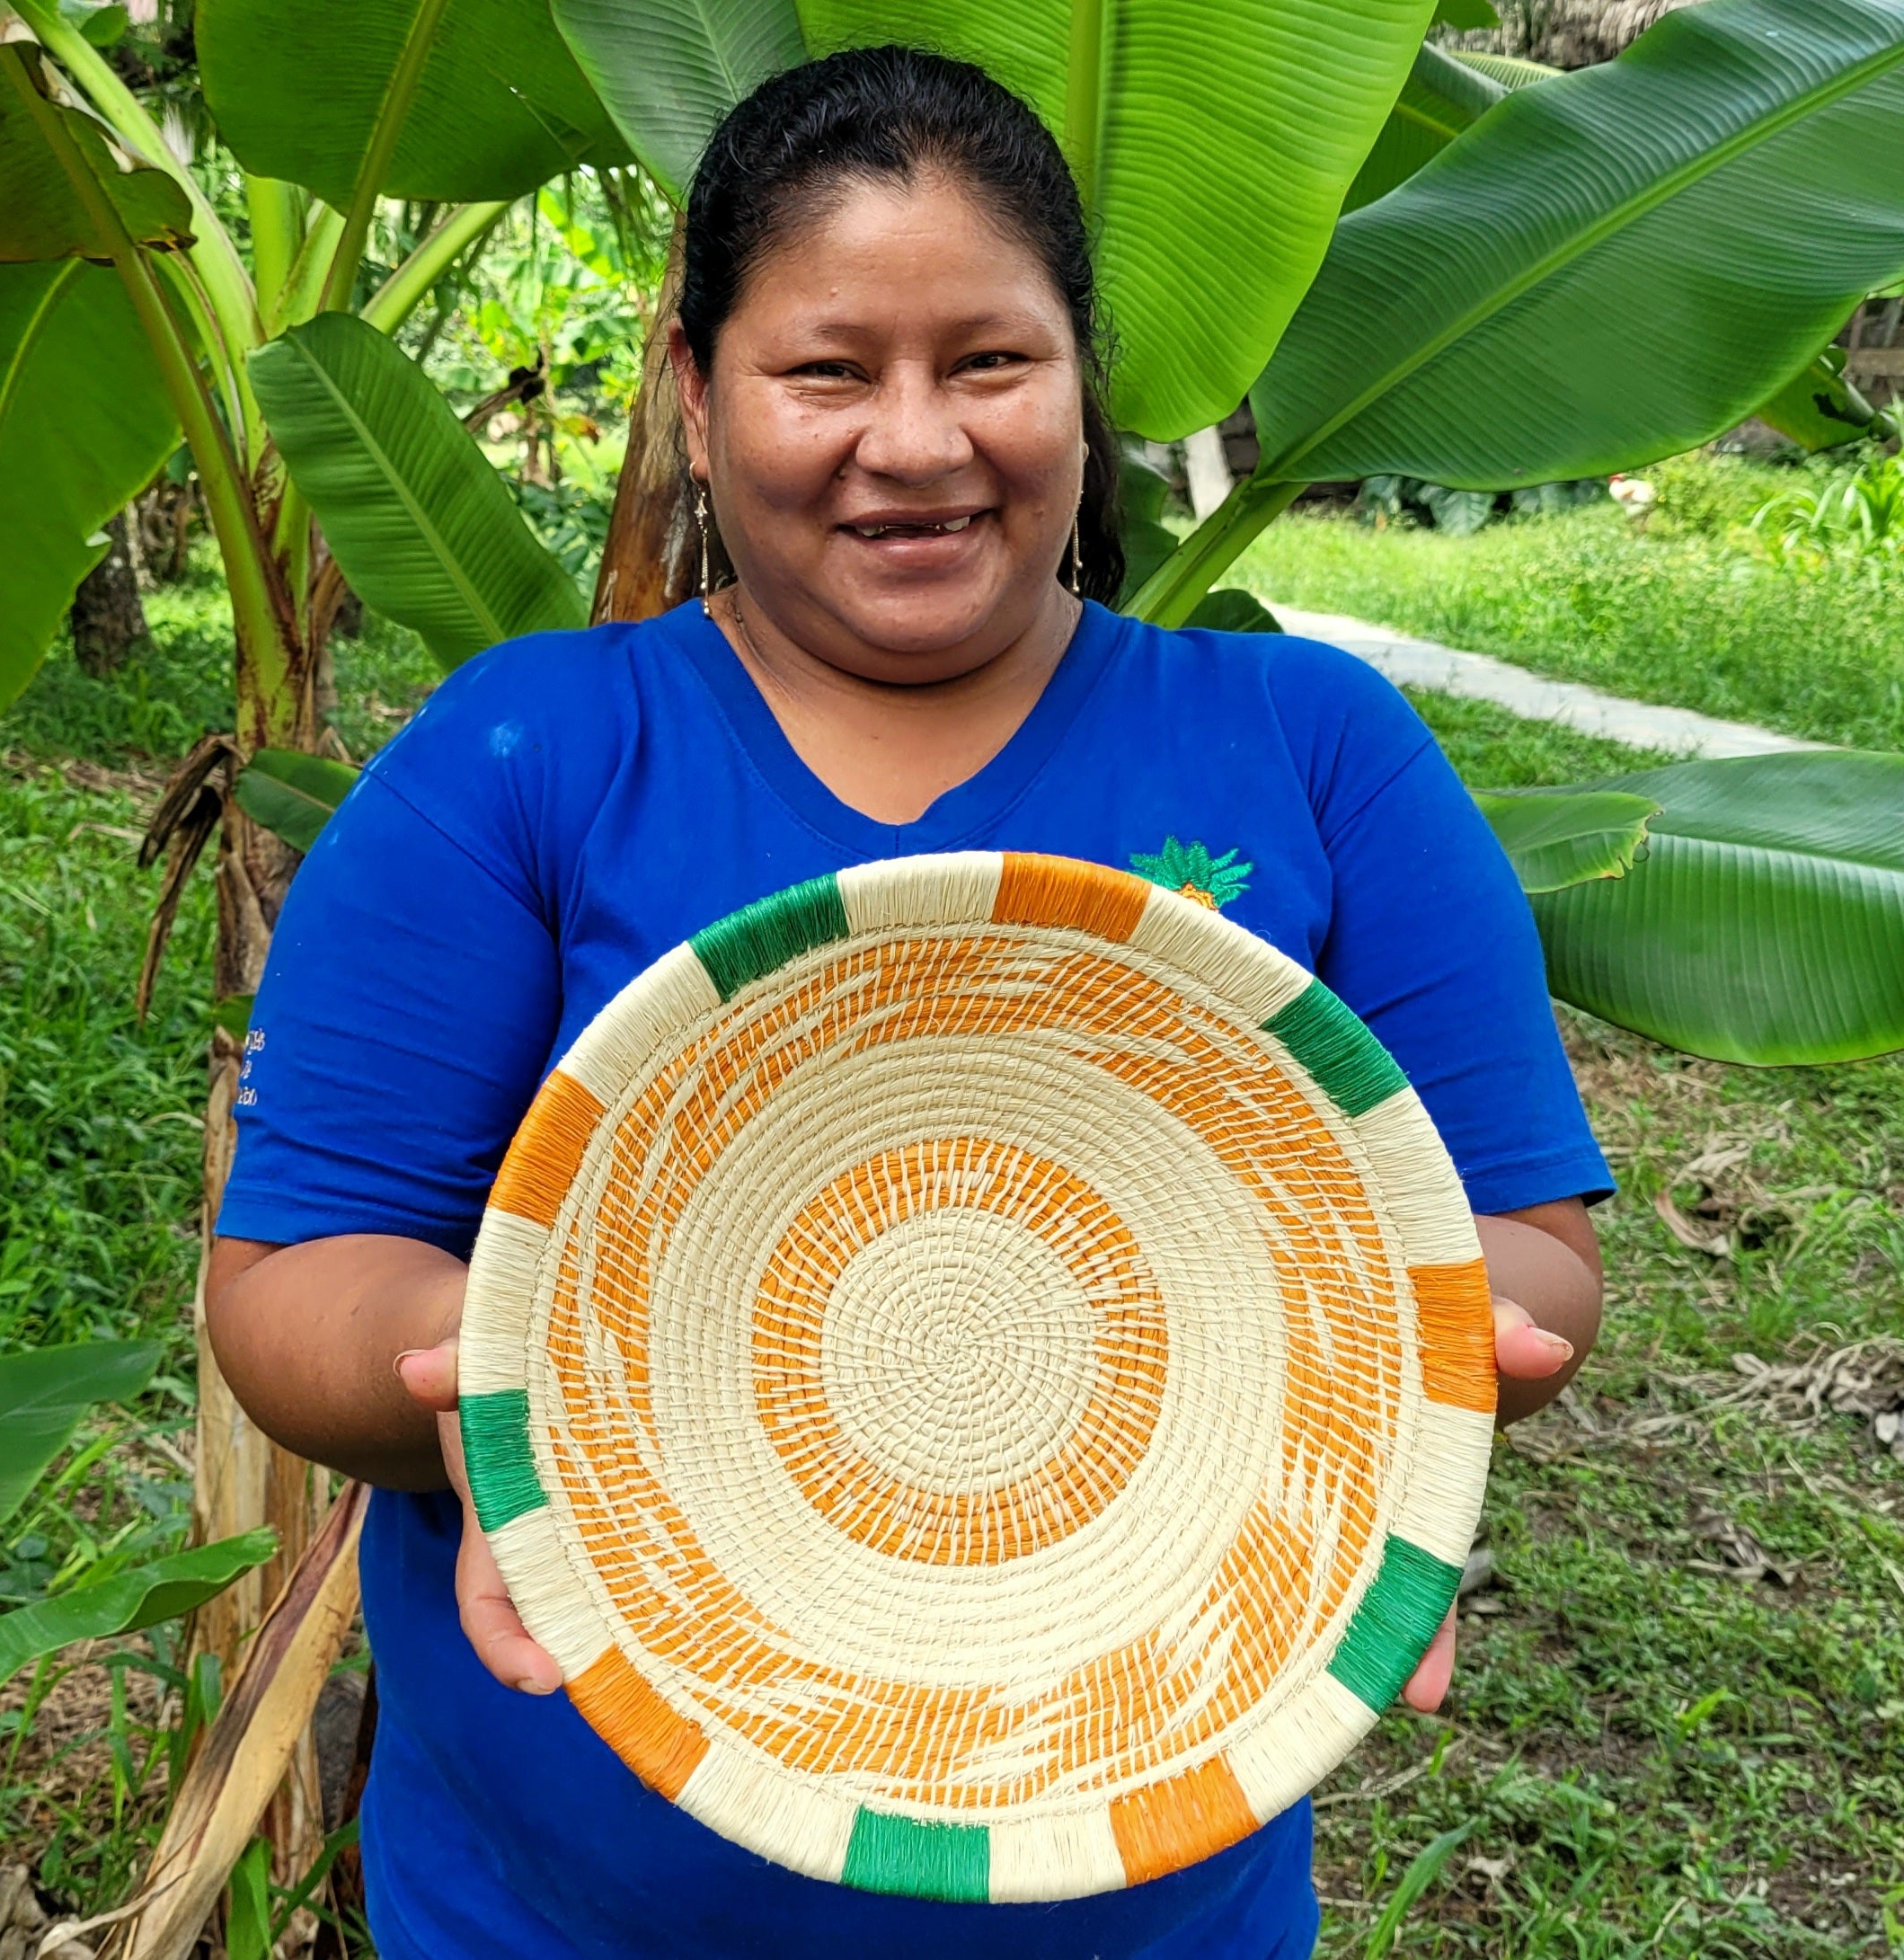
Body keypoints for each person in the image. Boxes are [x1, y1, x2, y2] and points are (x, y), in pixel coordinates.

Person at [208, 44, 1608, 1960]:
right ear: (696, 400)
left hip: (1148, 1908)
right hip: (557, 1916)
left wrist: (1382, 1386)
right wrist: (535, 1384)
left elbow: (1521, 1244)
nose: (917, 438)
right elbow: (290, 1283)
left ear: (1076, 377)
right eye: (825, 370)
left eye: (987, 361)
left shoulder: (1311, 748)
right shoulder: (526, 757)